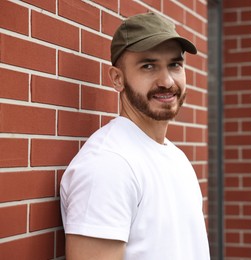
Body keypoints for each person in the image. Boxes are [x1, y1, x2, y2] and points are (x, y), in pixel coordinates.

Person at [60, 12, 210, 260]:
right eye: (148, 66)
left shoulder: (176, 157)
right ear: (117, 78)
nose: (166, 81)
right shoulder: (108, 165)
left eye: (174, 64)